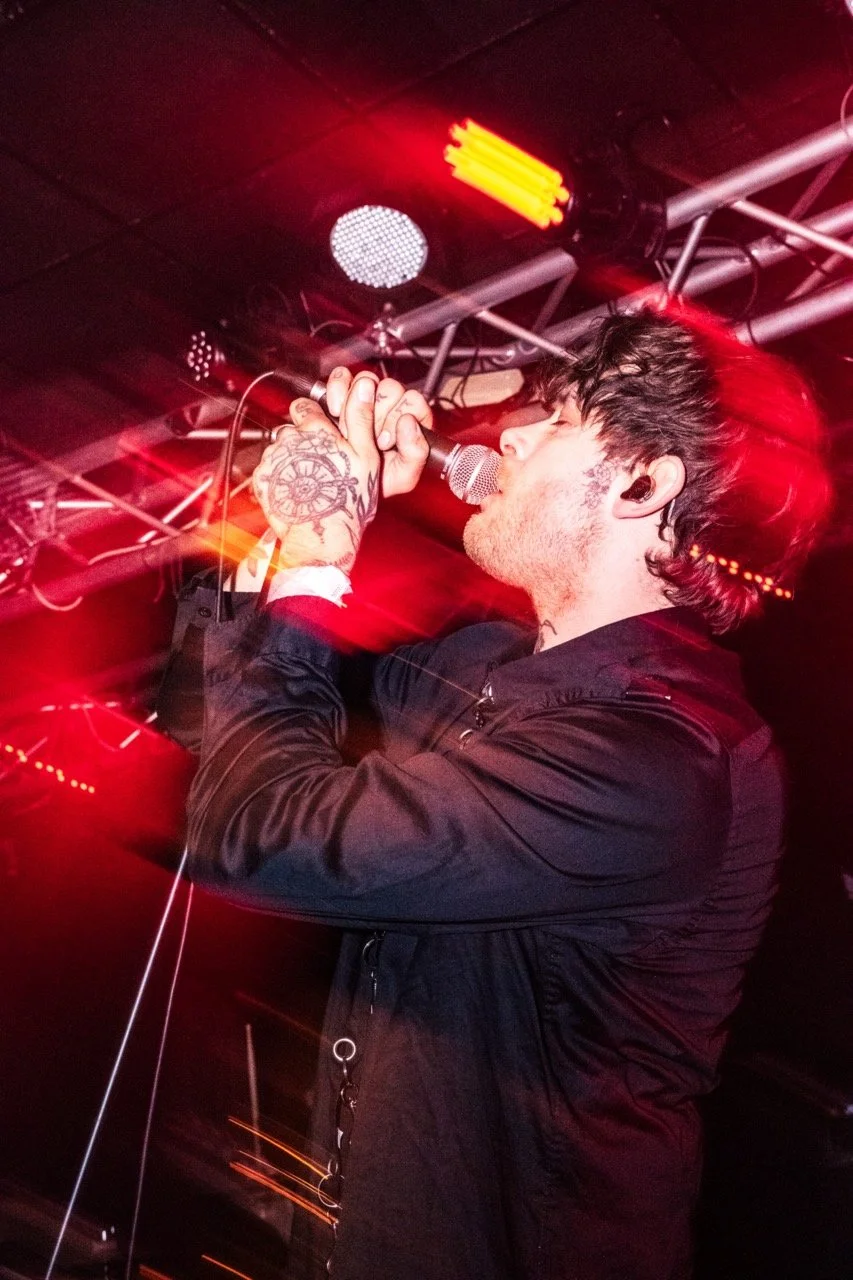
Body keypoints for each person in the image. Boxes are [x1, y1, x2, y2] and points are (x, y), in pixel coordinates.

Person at [159, 308, 830, 1280]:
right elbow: (221, 740)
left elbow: (257, 836)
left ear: (644, 483)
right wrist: (291, 528)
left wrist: (316, 560)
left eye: (558, 420)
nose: (510, 435)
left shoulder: (660, 762)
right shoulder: (485, 669)